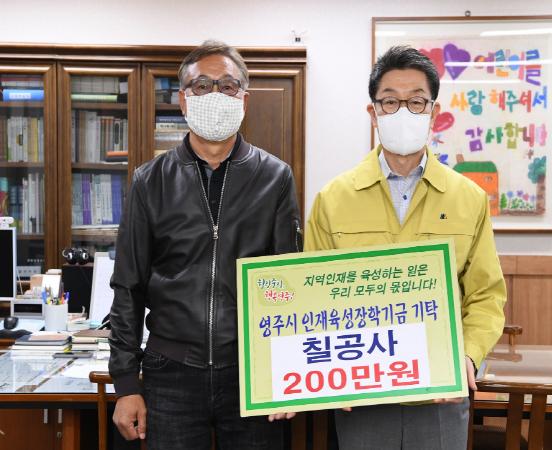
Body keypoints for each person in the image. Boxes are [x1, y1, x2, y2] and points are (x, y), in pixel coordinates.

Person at [304, 46, 506, 450]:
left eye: (415, 102)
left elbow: (486, 295)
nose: (402, 112)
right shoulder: (333, 199)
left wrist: (467, 356)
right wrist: (328, 371)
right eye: (390, 101)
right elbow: (313, 297)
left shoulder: (467, 198)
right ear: (373, 112)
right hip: (360, 393)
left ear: (433, 111)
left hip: (440, 395)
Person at [108, 40, 302, 450]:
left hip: (251, 370)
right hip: (170, 371)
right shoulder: (150, 180)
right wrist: (125, 383)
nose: (215, 95)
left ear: (244, 100)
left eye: (228, 86)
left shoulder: (275, 177)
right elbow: (128, 286)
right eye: (202, 86)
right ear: (183, 100)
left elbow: (288, 282)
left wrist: (287, 371)